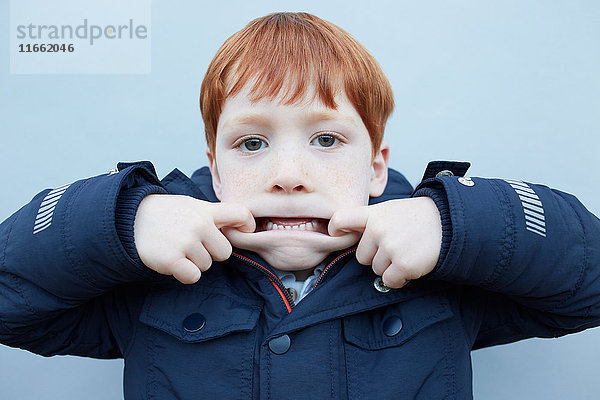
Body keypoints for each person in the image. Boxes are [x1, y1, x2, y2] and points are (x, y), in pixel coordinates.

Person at [1, 11, 599, 399]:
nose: (288, 176)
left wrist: (456, 223)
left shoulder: (445, 270)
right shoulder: (147, 275)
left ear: (375, 165)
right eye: (252, 143)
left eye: (327, 139)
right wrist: (121, 220)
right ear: (215, 168)